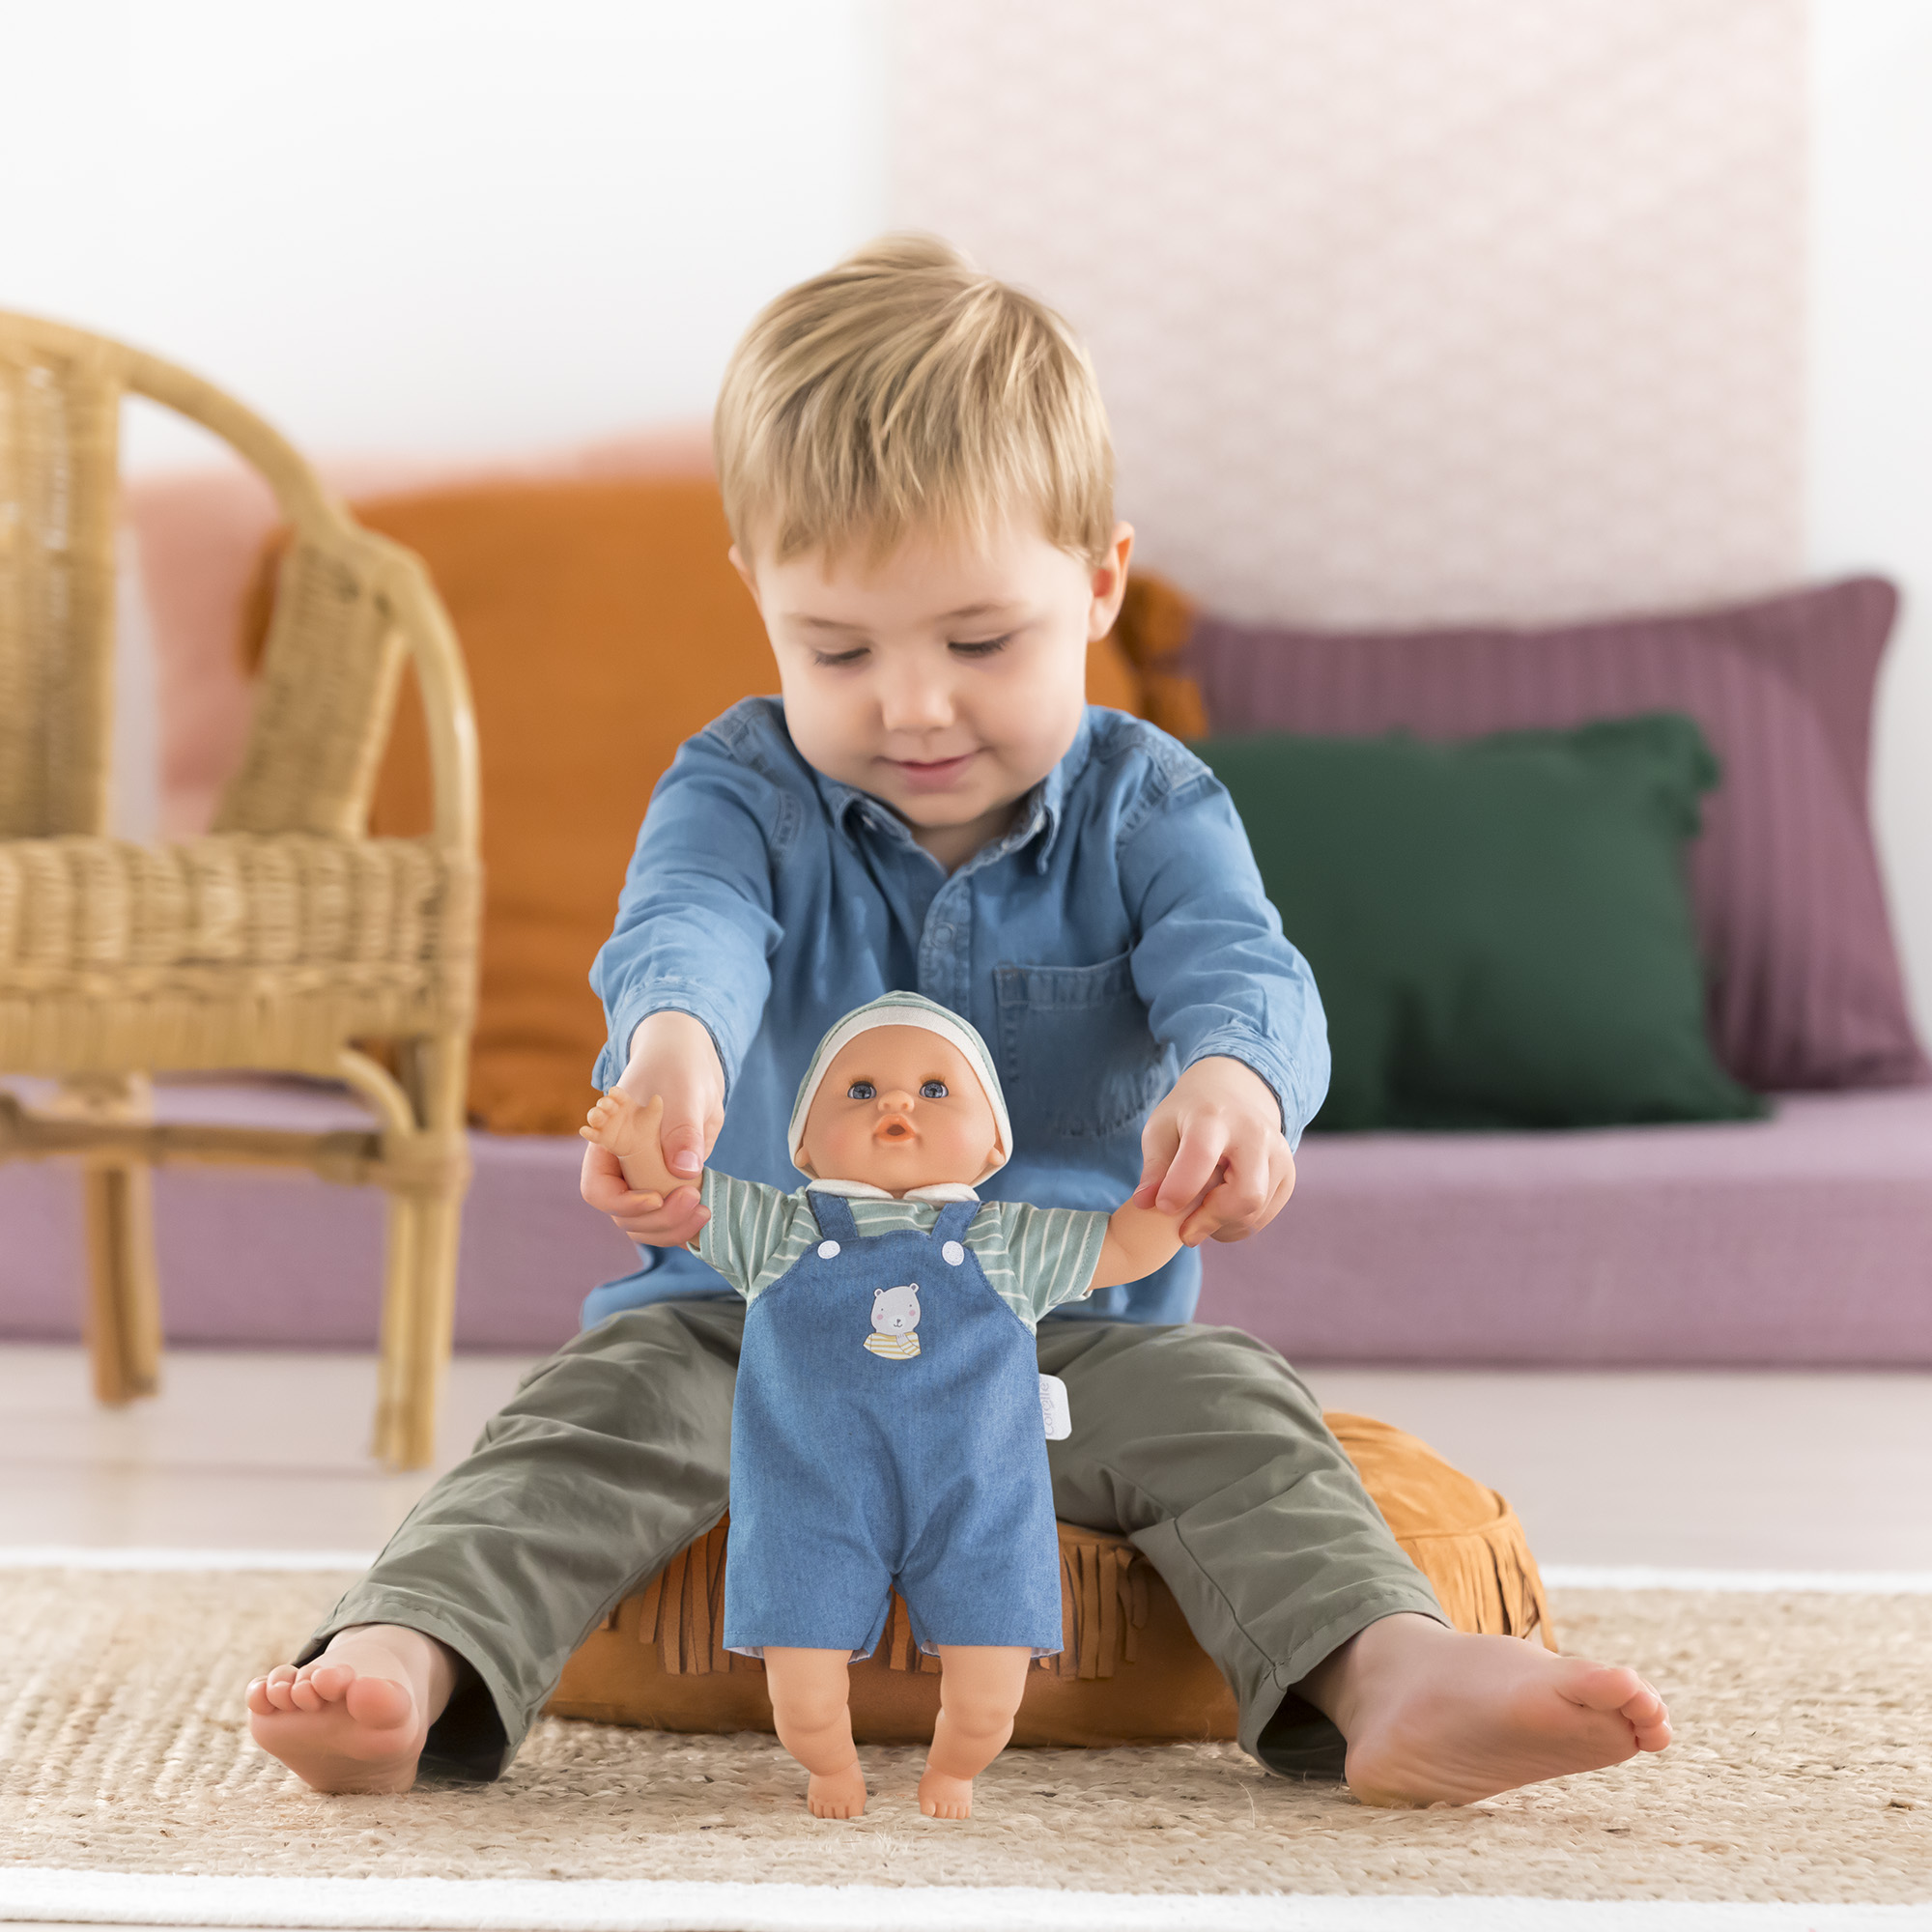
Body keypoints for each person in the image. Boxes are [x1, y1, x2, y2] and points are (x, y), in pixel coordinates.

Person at [245, 237, 1672, 1809]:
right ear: (760, 601)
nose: (912, 705)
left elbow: (1243, 971)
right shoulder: (736, 786)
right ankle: (405, 1658)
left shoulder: (1151, 802)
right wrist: (671, 1056)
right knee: (591, 1418)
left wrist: (1236, 1086)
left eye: (980, 642)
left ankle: (1399, 1675)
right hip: (757, 1323)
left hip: (1066, 1340)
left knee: (1242, 1418)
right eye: (838, 650)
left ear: (1101, 582)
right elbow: (688, 934)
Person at [581, 991, 1218, 1817]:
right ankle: (830, 1767)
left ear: (994, 1144)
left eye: (935, 1088)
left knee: (991, 1700)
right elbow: (676, 1201)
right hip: (810, 1496)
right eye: (858, 1090)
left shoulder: (1009, 1243)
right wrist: (639, 1146)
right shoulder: (776, 1231)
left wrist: (1182, 1195)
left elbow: (1128, 1245)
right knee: (802, 1701)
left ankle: (953, 1771)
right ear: (804, 1146)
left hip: (979, 1498)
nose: (896, 1103)